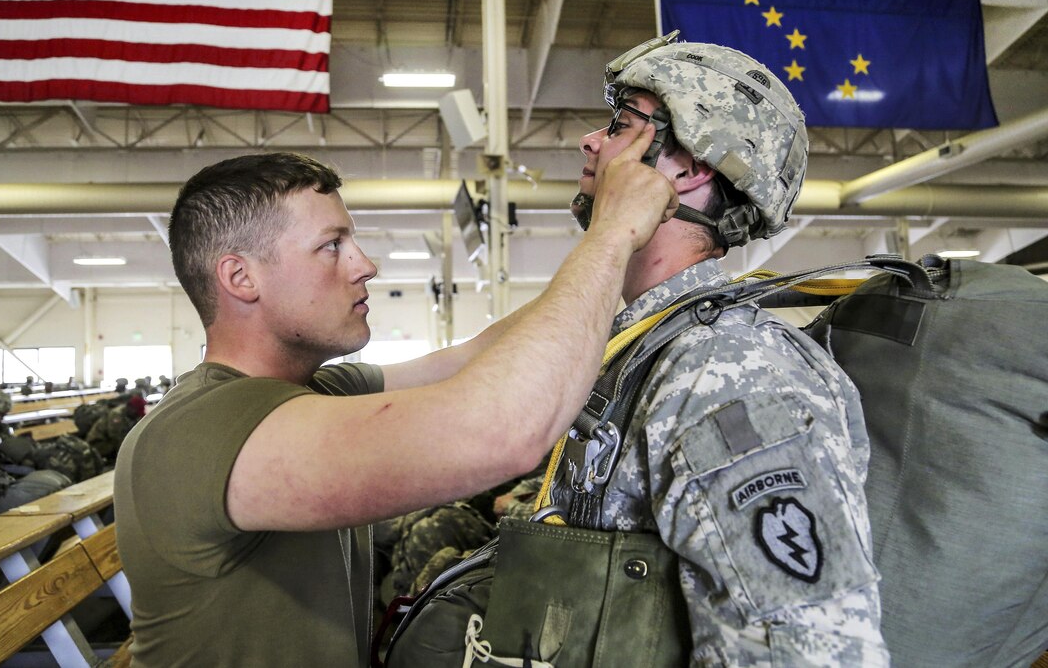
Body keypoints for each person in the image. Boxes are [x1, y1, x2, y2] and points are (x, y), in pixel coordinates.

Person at [114, 148, 678, 666]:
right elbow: (502, 430)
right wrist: (611, 235)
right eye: (331, 245)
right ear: (241, 277)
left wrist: (625, 269)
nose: (365, 265)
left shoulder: (317, 394)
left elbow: (478, 356)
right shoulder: (203, 430)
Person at [530, 34, 888, 664]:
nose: (592, 141)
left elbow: (805, 648)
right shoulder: (647, 347)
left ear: (690, 166)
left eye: (621, 125)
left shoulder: (725, 370)